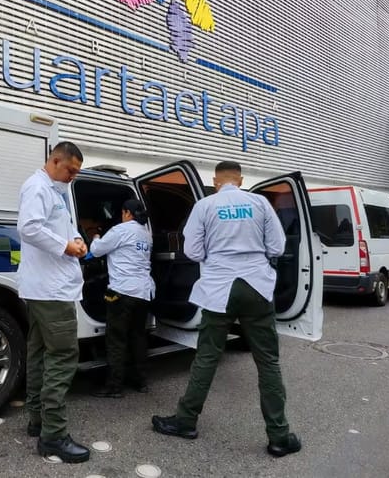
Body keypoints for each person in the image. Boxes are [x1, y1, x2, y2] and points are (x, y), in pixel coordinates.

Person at [151, 161, 302, 458]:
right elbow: (278, 246)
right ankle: (279, 436)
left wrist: (217, 253)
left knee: (206, 357)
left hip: (219, 289)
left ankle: (185, 421)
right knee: (268, 362)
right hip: (257, 288)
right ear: (241, 180)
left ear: (216, 181)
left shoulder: (205, 205)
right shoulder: (259, 203)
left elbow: (192, 251)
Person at [17, 141, 90, 464]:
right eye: (71, 170)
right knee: (62, 357)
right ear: (55, 160)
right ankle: (54, 436)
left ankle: (38, 420)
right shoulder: (38, 187)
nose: (73, 176)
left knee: (38, 353)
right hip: (52, 290)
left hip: (45, 288)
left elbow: (62, 227)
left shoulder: (56, 191)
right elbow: (29, 227)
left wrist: (77, 240)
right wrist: (66, 247)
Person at [88, 199, 155, 398]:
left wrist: (96, 235)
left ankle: (114, 386)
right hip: (144, 292)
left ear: (126, 213)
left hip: (122, 292)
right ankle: (141, 381)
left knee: (116, 339)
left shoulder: (120, 230)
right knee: (138, 336)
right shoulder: (146, 234)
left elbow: (96, 250)